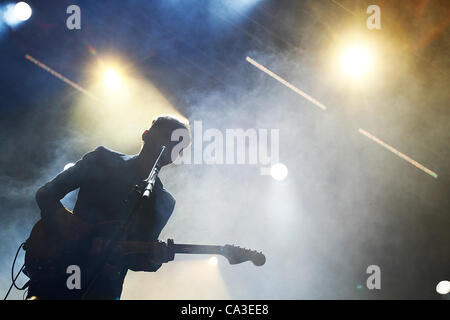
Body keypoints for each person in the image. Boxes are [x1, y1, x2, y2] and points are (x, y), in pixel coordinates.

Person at [26, 115, 191, 300]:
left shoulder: (164, 202)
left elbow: (136, 258)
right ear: (145, 135)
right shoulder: (102, 160)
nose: (170, 146)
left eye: (179, 145)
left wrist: (154, 259)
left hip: (103, 288)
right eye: (167, 137)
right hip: (58, 269)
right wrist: (70, 225)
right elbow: (46, 194)